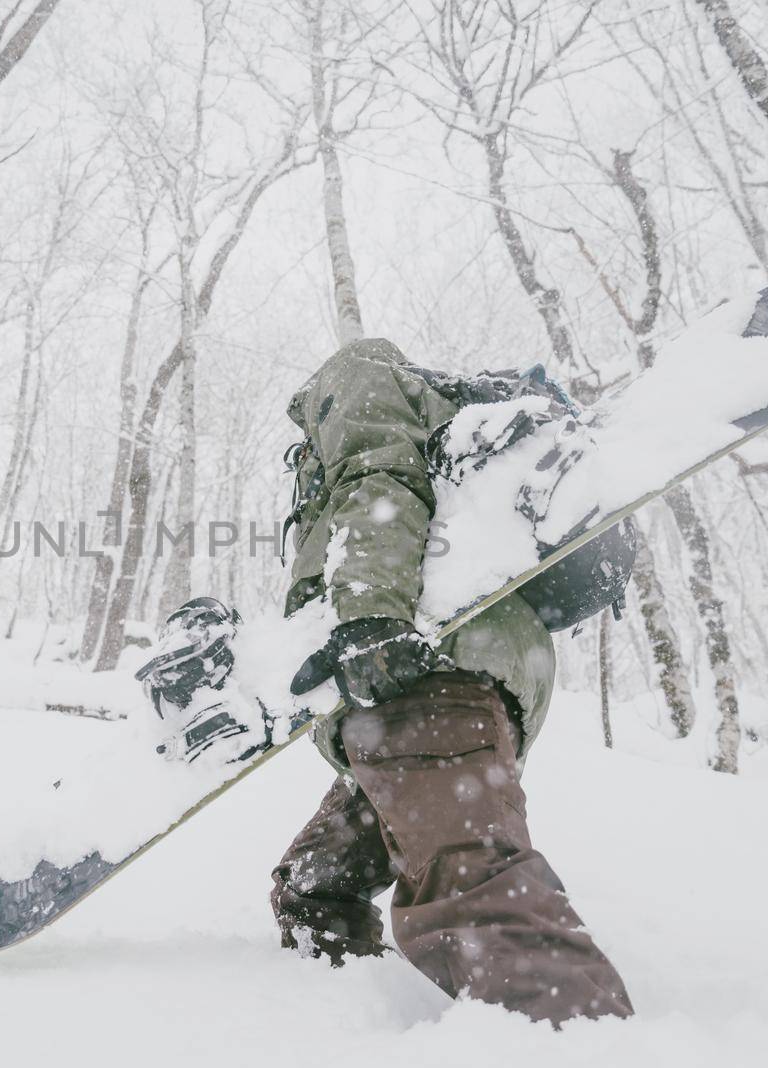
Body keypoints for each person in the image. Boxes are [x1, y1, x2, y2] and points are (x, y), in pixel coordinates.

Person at [270, 336, 634, 1026]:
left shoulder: (359, 374)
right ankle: (332, 1008)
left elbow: (379, 484)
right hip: (441, 689)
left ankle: (575, 1036)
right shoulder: (442, 422)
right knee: (317, 888)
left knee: (475, 895)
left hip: (418, 672)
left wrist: (369, 617)